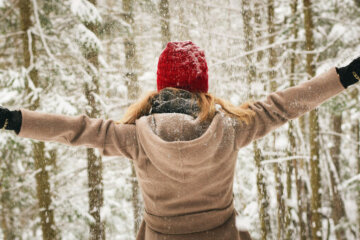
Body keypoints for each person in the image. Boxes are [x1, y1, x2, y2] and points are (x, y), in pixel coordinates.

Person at [0, 41, 359, 240]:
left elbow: (77, 130)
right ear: (202, 85)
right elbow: (285, 106)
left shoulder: (136, 137)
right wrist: (344, 76)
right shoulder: (231, 128)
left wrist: (14, 120)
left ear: (161, 85)